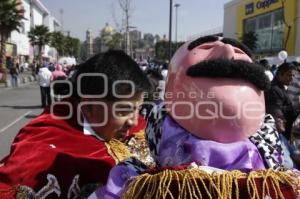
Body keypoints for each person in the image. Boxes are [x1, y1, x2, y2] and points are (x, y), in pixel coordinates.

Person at [90, 36, 300, 199]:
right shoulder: (134, 181)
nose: (227, 51)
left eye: (238, 50)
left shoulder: (282, 183)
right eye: (206, 47)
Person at [0, 50, 151, 198]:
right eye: (124, 111)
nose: (134, 122)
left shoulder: (141, 130)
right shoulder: (42, 145)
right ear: (88, 106)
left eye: (139, 109)